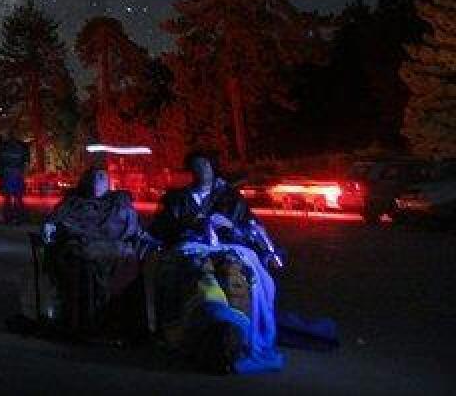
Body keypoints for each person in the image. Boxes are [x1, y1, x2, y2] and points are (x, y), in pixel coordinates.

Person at [150, 150, 284, 374]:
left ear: (213, 168)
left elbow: (251, 228)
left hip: (230, 245)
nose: (201, 169)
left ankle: (239, 333)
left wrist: (230, 227)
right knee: (197, 271)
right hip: (192, 245)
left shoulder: (231, 198)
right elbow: (161, 229)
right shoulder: (177, 198)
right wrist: (191, 224)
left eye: (205, 165)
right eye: (196, 165)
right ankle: (199, 327)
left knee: (239, 272)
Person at [36, 167, 155, 336]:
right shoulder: (73, 202)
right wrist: (50, 227)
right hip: (82, 249)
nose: (97, 181)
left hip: (114, 250)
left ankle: (119, 322)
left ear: (108, 183)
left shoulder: (119, 203)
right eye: (94, 177)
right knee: (81, 262)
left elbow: (133, 228)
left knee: (127, 261)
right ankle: (85, 321)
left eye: (101, 177)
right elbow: (56, 220)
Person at [0, 132, 30, 225]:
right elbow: (25, 162)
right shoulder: (21, 148)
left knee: (8, 197)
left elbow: (0, 162)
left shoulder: (5, 148)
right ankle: (17, 217)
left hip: (8, 174)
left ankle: (7, 217)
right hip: (17, 174)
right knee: (17, 197)